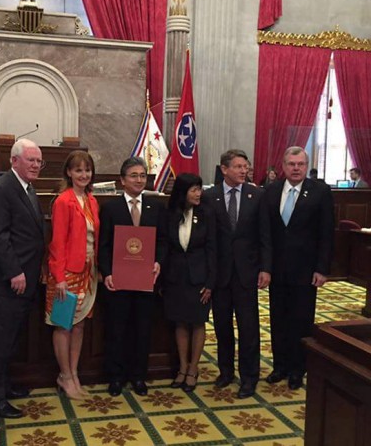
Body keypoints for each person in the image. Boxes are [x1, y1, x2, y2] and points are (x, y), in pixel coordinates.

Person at [0, 138, 45, 419]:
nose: (35, 165)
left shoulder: (28, 188)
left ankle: (5, 386)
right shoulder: (2, 189)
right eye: (30, 160)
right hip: (8, 281)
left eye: (38, 161)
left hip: (27, 278)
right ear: (14, 161)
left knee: (11, 339)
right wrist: (14, 271)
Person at [202, 149, 271, 399]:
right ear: (224, 169)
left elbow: (265, 235)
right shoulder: (210, 197)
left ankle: (249, 377)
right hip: (220, 275)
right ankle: (225, 372)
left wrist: (265, 268)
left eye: (246, 166)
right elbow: (208, 238)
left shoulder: (257, 195)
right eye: (238, 166)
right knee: (222, 326)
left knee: (249, 327)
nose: (244, 171)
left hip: (247, 273)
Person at [263, 146, 334, 390]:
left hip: (306, 271)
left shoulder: (320, 192)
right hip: (277, 270)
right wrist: (265, 267)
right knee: (278, 319)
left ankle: (297, 369)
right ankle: (280, 366)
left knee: (301, 321)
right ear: (283, 166)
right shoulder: (271, 190)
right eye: (291, 164)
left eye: (300, 164)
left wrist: (322, 268)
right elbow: (266, 233)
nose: (296, 168)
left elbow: (326, 234)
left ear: (306, 166)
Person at [98, 157, 167, 397]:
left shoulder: (156, 206)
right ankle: (116, 377)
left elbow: (162, 241)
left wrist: (159, 261)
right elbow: (103, 245)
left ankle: (139, 376)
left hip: (146, 281)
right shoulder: (110, 208)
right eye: (134, 175)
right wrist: (106, 272)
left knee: (143, 329)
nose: (139, 180)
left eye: (143, 175)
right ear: (122, 180)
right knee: (117, 330)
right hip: (118, 281)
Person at [46, 151, 100, 400]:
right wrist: (59, 277)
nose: (83, 175)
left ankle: (74, 373)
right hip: (66, 273)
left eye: (87, 170)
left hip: (88, 273)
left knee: (79, 325)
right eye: (78, 170)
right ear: (69, 172)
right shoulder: (63, 201)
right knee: (63, 325)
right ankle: (64, 375)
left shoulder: (91, 199)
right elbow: (57, 243)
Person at [163, 173, 216, 392]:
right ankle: (182, 368)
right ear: (182, 192)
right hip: (176, 277)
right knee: (180, 322)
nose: (198, 193)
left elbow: (213, 249)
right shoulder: (171, 214)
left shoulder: (207, 213)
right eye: (194, 189)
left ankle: (194, 368)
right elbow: (166, 246)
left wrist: (211, 282)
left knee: (197, 322)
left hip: (200, 278)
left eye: (199, 189)